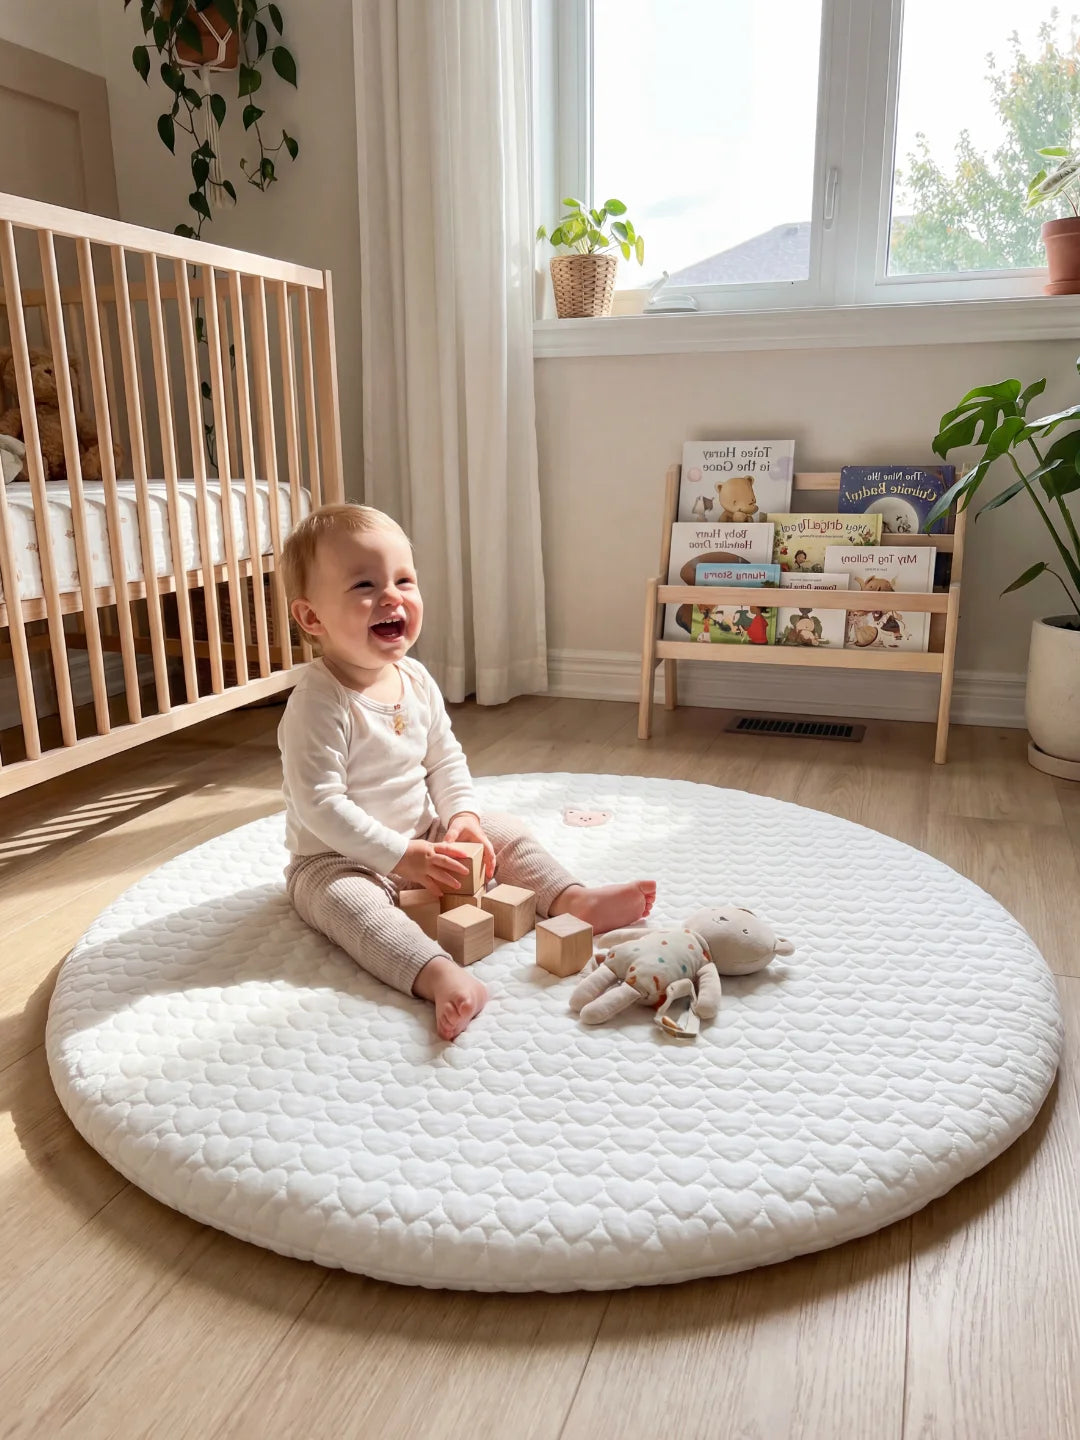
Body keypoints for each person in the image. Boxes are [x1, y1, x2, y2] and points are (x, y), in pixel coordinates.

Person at [278, 504, 656, 1041]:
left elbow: (444, 759)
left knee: (504, 831)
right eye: (365, 585)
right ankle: (439, 976)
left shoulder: (415, 678)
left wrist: (461, 819)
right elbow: (320, 804)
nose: (392, 597)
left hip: (421, 835)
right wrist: (399, 858)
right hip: (335, 861)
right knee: (352, 911)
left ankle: (572, 901)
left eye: (404, 580)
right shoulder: (319, 701)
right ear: (312, 618)